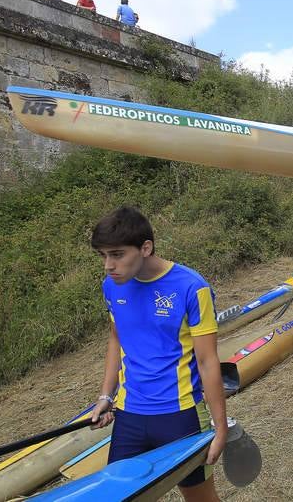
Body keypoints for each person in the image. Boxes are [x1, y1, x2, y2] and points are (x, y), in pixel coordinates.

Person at [89, 206, 226, 502]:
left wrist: (221, 425)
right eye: (103, 256)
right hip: (129, 415)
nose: (108, 265)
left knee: (200, 499)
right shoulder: (112, 286)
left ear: (146, 248)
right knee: (117, 497)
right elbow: (116, 339)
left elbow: (207, 361)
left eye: (117, 254)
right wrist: (105, 396)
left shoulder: (191, 287)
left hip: (181, 416)